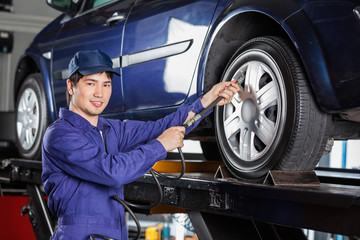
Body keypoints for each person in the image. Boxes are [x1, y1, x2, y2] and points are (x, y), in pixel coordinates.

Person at [42, 50, 240, 240]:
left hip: (115, 232)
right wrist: (160, 145)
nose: (99, 93)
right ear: (71, 86)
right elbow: (111, 171)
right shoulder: (60, 135)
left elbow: (159, 128)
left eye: (106, 85)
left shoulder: (112, 130)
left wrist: (207, 100)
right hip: (78, 234)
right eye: (91, 83)